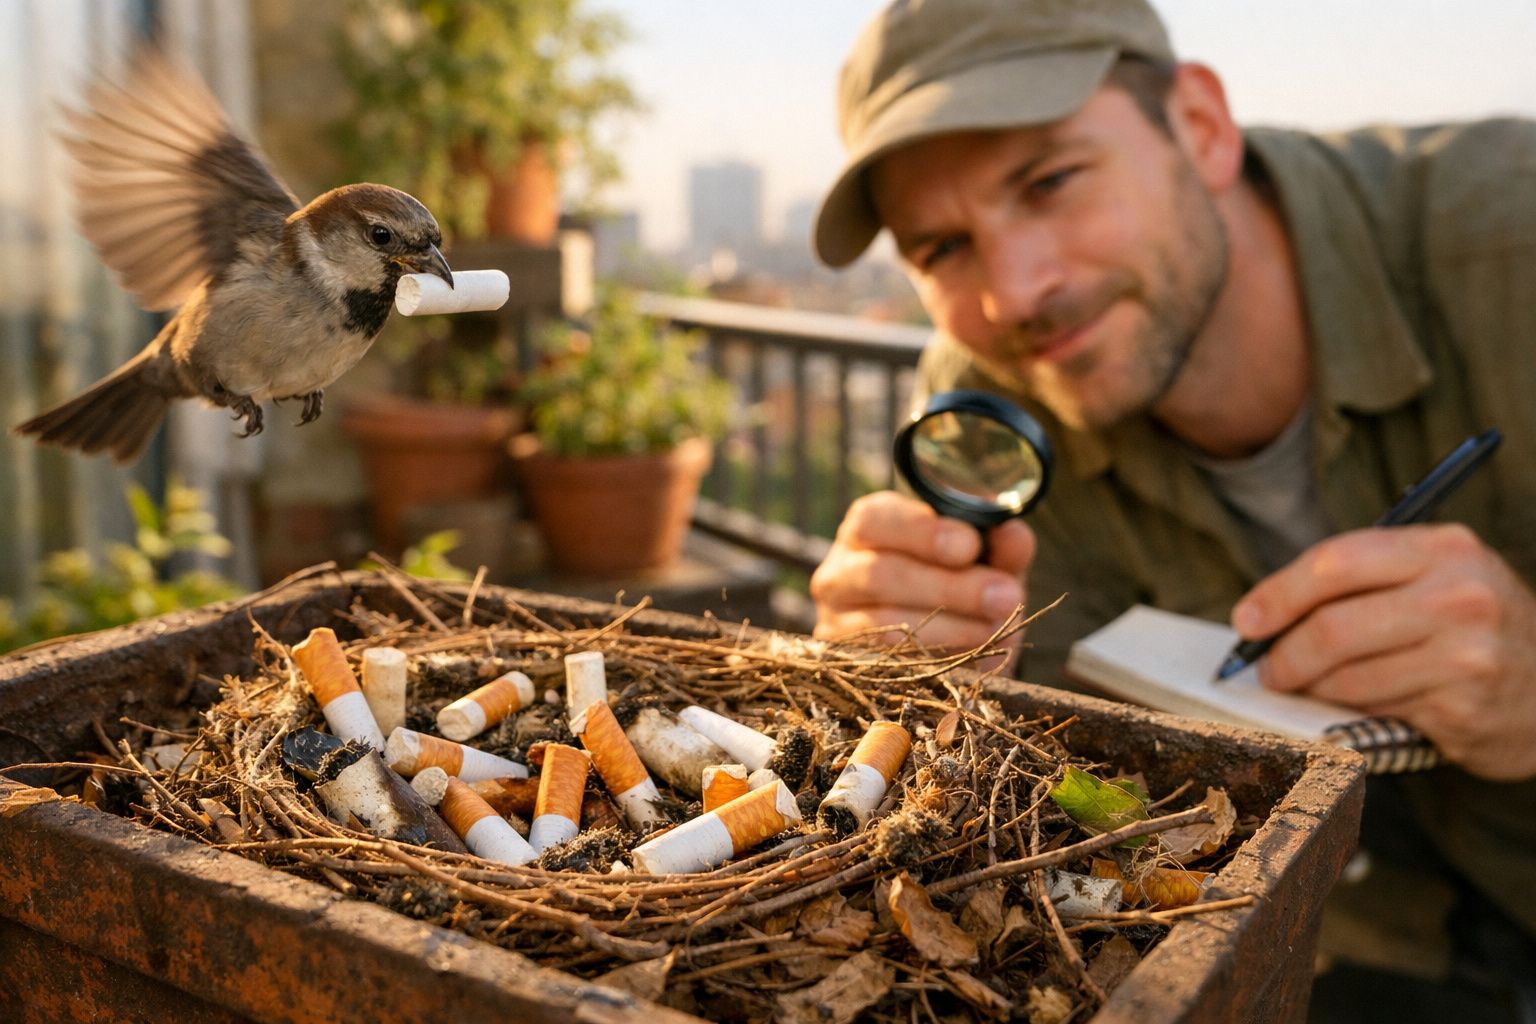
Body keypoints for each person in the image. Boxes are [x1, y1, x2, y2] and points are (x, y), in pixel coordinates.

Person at [808, 0, 1536, 1018]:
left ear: (1199, 125)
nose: (1015, 293)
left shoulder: (1513, 236)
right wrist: (917, 706)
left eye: (1050, 182)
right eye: (941, 248)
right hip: (1346, 948)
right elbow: (1067, 810)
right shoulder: (993, 396)